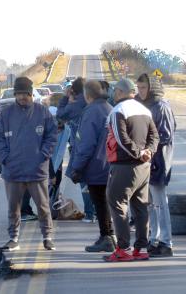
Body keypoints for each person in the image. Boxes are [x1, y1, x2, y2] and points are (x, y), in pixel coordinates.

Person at [0, 76, 59, 252]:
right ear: (15, 94)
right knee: (14, 208)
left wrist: (43, 155)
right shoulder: (6, 114)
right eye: (19, 93)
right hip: (13, 171)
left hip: (37, 170)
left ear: (31, 94)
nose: (22, 97)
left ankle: (47, 237)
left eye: (26, 94)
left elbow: (52, 136)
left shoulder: (42, 112)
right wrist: (5, 158)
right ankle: (13, 238)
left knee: (43, 207)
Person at [103, 79, 158, 262]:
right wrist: (148, 151)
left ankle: (124, 249)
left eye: (114, 91)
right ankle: (141, 248)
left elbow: (121, 138)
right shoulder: (145, 110)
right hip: (144, 166)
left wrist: (138, 153)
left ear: (119, 92)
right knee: (141, 206)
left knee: (117, 204)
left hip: (124, 166)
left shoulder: (117, 111)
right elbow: (155, 136)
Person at [67, 80, 114, 252]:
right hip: (110, 163)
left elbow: (85, 144)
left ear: (87, 95)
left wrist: (76, 167)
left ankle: (106, 237)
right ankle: (109, 235)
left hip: (95, 165)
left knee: (100, 203)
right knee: (106, 203)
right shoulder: (109, 108)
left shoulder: (91, 112)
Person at [136, 73, 176, 257]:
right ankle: (154, 239)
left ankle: (166, 242)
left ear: (152, 88)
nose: (140, 91)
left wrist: (148, 146)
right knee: (150, 204)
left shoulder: (161, 106)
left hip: (159, 159)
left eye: (143, 88)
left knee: (160, 203)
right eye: (138, 88)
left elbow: (165, 135)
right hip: (146, 160)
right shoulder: (143, 105)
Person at [57, 77, 95, 222]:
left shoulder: (76, 103)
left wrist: (66, 98)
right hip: (95, 146)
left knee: (83, 179)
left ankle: (90, 213)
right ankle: (97, 212)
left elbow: (60, 114)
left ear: (74, 90)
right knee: (95, 181)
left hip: (79, 146)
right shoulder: (92, 102)